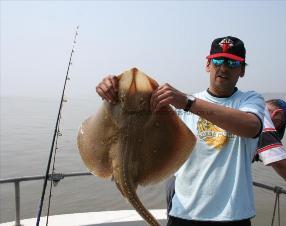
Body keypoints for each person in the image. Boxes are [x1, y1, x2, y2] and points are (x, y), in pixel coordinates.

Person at [96, 36, 265, 226]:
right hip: (183, 214)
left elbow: (251, 127)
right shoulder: (179, 107)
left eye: (232, 62)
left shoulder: (250, 101)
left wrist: (187, 103)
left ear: (242, 70)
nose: (223, 67)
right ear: (208, 65)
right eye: (217, 60)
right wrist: (112, 89)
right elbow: (135, 117)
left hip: (233, 216)